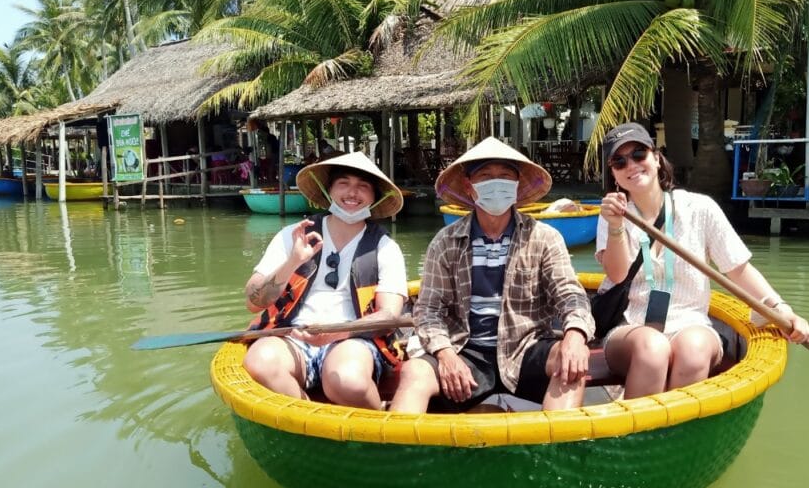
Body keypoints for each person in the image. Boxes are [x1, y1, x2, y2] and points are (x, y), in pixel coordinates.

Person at [595, 122, 809, 398]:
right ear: (614, 173)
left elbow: (738, 269)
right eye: (619, 161)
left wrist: (781, 307)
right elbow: (617, 275)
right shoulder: (613, 214)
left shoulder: (699, 209)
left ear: (656, 158)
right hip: (630, 328)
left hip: (691, 322)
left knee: (694, 349)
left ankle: (675, 434)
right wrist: (615, 225)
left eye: (639, 154)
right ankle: (634, 435)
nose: (631, 165)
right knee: (653, 348)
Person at [391, 136, 594, 414]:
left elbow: (570, 294)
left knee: (571, 363)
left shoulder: (545, 237)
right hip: (466, 349)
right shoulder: (445, 241)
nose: (495, 183)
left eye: (505, 176)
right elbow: (428, 310)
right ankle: (400, 452)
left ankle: (555, 450)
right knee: (415, 372)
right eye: (485, 176)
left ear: (517, 184)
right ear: (469, 186)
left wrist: (575, 336)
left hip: (527, 347)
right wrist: (446, 354)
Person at [242, 151, 408, 408]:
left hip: (354, 340)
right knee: (258, 362)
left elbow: (390, 317)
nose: (352, 193)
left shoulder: (385, 248)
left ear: (374, 198)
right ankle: (310, 417)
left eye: (363, 186)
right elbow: (254, 301)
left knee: (346, 380)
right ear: (328, 189)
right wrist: (293, 261)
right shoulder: (293, 236)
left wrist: (334, 333)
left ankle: (381, 426)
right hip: (292, 336)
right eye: (344, 183)